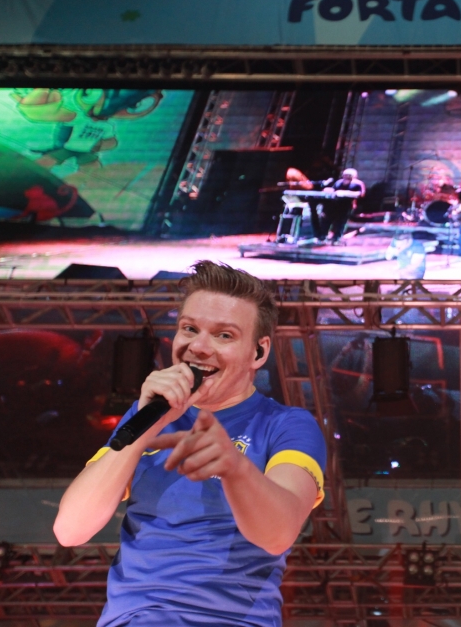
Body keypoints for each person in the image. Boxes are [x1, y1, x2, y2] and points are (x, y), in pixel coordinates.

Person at [53, 261, 326, 627]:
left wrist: (234, 467)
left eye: (224, 336)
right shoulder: (145, 414)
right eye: (189, 329)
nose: (198, 347)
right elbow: (70, 530)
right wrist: (146, 427)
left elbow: (278, 534)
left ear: (259, 353)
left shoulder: (286, 425)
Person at [322, 168, 366, 244]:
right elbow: (334, 190)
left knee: (341, 222)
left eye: (349, 175)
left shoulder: (358, 183)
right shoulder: (339, 182)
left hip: (347, 205)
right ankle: (324, 236)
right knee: (329, 220)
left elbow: (361, 194)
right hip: (335, 205)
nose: (346, 177)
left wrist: (347, 193)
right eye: (345, 175)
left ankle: (337, 238)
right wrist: (328, 190)